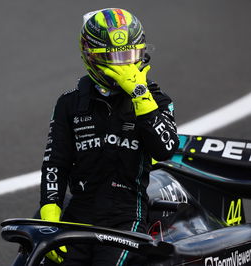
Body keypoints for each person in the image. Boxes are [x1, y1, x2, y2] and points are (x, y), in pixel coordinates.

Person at [39, 8, 179, 266]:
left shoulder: (156, 100)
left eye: (130, 55)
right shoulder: (69, 104)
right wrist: (49, 209)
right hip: (79, 214)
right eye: (116, 56)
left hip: (126, 217)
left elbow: (166, 148)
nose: (125, 63)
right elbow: (55, 164)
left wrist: (140, 95)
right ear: (91, 56)